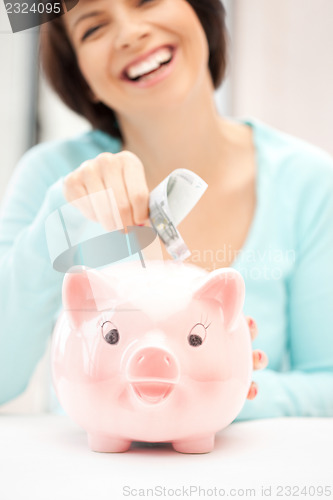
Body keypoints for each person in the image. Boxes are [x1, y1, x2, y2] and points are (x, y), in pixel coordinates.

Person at [0, 0, 332, 421]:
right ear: (84, 81)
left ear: (201, 15)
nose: (129, 33)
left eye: (147, 0)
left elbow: (328, 381)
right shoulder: (50, 178)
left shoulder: (309, 183)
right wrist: (62, 223)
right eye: (93, 29)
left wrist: (230, 389)